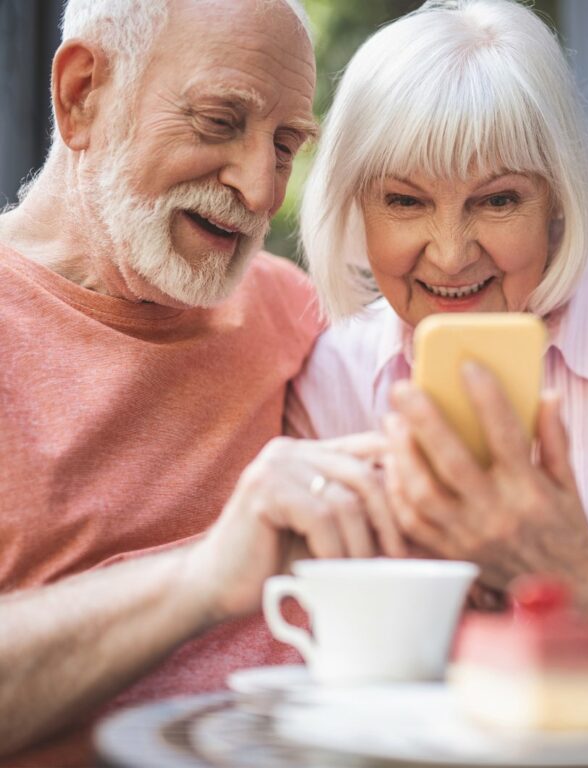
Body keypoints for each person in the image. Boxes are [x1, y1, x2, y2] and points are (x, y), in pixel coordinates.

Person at [288, 0, 588, 653]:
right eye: (404, 201)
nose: (451, 253)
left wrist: (580, 579)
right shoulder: (332, 371)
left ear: (556, 201)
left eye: (498, 199)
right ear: (355, 208)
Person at [0, 0, 406, 764]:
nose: (261, 191)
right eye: (220, 122)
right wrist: (201, 577)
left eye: (287, 145)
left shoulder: (295, 313)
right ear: (82, 93)